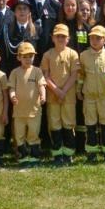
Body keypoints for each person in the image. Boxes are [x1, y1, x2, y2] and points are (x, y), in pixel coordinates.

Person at [41, 24, 79, 165]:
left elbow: (74, 75)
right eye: (58, 36)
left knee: (68, 124)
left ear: (68, 38)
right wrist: (56, 90)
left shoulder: (73, 54)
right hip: (53, 97)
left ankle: (68, 154)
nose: (60, 39)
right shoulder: (48, 55)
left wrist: (64, 91)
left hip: (68, 97)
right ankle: (57, 154)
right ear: (52, 38)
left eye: (63, 36)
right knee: (55, 125)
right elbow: (45, 76)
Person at [78, 25, 105, 160]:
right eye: (92, 38)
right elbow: (81, 75)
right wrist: (79, 90)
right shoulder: (83, 56)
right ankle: (92, 152)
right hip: (89, 97)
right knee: (90, 125)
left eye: (98, 38)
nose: (94, 41)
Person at [9, 41, 46, 165]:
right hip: (19, 111)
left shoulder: (37, 71)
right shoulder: (15, 72)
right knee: (19, 135)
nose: (28, 59)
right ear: (18, 57)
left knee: (33, 133)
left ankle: (34, 156)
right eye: (24, 56)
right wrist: (12, 96)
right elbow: (11, 88)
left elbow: (41, 85)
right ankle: (23, 156)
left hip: (34, 111)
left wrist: (43, 96)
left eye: (30, 56)